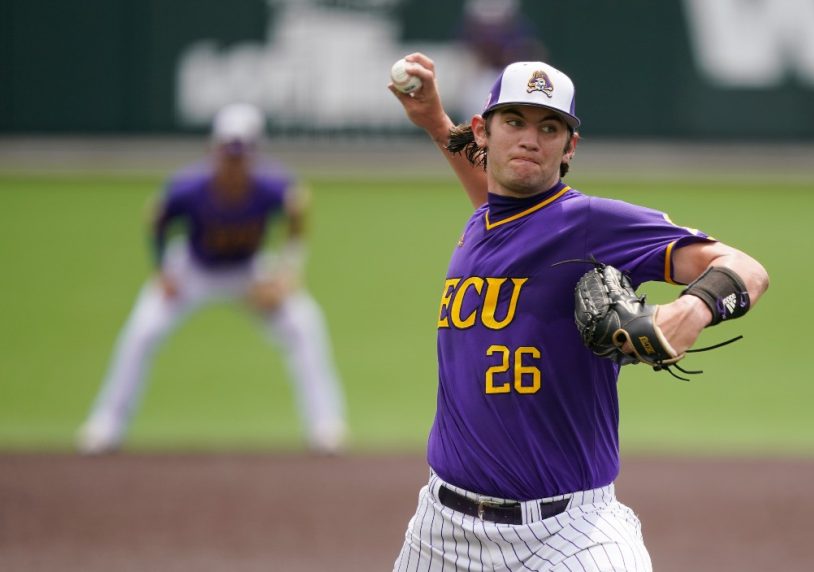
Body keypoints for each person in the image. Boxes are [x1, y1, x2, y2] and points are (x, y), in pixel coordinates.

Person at [387, 54, 769, 570]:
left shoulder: (591, 224)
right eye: (514, 122)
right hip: (441, 532)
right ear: (482, 131)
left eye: (550, 128)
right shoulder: (487, 222)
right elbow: (494, 197)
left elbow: (746, 268)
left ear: (570, 147)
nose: (530, 139)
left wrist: (690, 309)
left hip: (569, 534)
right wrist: (435, 120)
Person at [77, 103, 348, 455]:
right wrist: (162, 270)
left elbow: (298, 215)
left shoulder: (272, 186)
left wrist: (285, 274)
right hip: (193, 269)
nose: (234, 162)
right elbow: (156, 219)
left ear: (254, 154)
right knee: (142, 332)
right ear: (214, 150)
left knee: (304, 324)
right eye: (228, 153)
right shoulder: (189, 188)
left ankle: (325, 426)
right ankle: (106, 425)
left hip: (249, 271)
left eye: (241, 154)